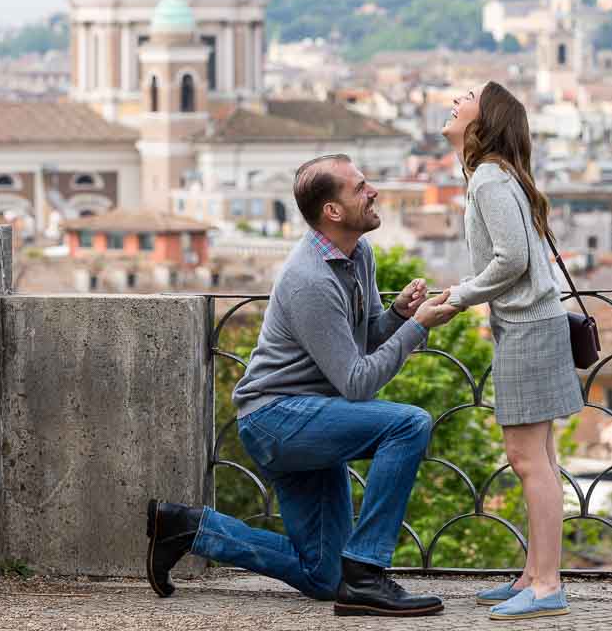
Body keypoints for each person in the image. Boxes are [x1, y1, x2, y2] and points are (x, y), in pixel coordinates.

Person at [145, 154, 460, 617]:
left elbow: (360, 337)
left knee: (325, 578)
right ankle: (369, 572)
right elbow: (356, 383)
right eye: (360, 187)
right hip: (277, 420)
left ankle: (188, 529)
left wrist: (397, 317)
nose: (372, 192)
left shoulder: (357, 254)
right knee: (409, 425)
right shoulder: (309, 279)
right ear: (332, 211)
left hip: (312, 417)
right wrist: (419, 328)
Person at [441, 82, 583, 620]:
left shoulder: (489, 179)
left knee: (529, 462)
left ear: (486, 119)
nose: (458, 97)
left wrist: (458, 297)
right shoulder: (495, 176)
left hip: (527, 326)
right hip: (533, 324)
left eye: (471, 95)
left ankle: (546, 585)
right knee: (540, 458)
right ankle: (535, 574)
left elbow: (512, 261)